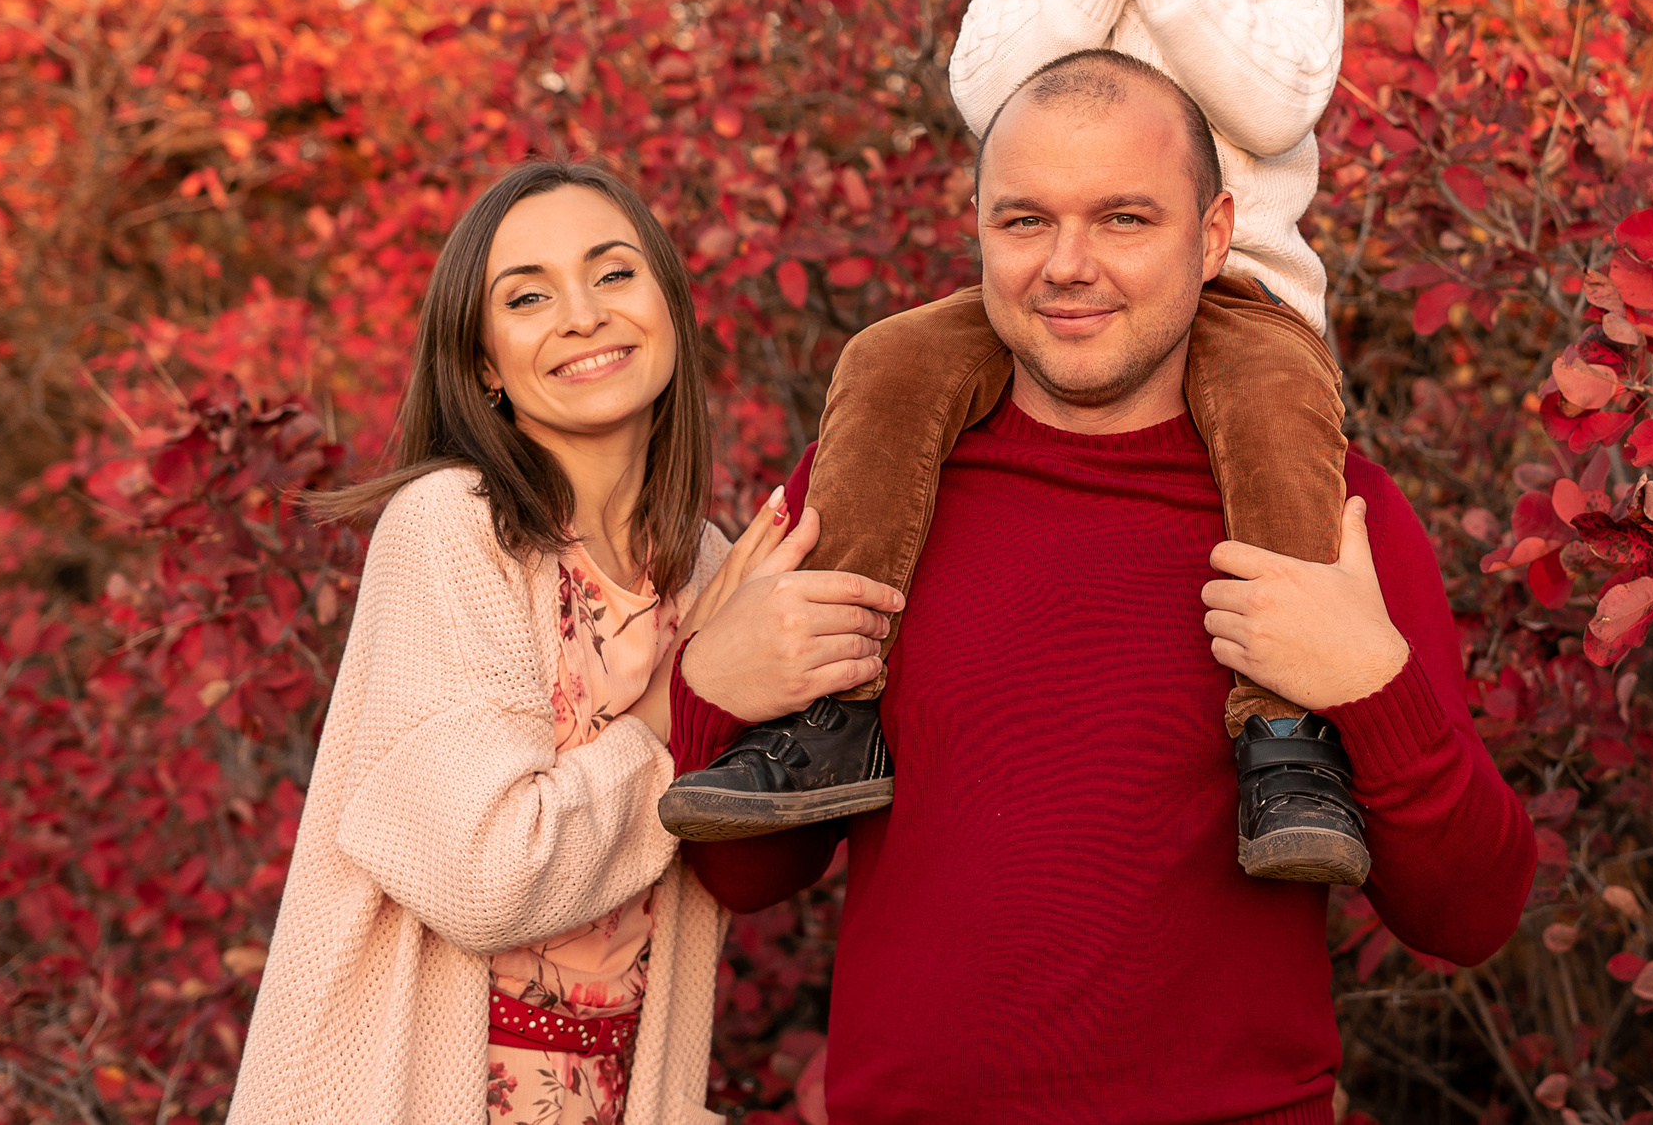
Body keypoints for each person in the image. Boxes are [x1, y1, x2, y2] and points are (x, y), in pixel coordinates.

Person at [658, 55, 1537, 1123]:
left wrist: (1372, 687)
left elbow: (1472, 917)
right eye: (1024, 222)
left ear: (1212, 236)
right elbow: (753, 879)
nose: (1066, 266)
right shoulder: (869, 495)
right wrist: (711, 681)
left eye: (1124, 219)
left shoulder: (1326, 519)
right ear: (976, 226)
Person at [659, 0, 1366, 883]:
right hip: (1045, 293)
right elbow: (991, 98)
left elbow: (1270, 110)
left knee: (1279, 404)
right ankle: (834, 708)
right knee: (889, 363)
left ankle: (1286, 735)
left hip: (1237, 284)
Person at [227, 161, 905, 1125]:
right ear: (485, 366)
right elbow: (486, 876)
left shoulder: (708, 570)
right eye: (529, 296)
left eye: (614, 274)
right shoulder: (451, 530)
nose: (582, 314)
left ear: (670, 307)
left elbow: (748, 864)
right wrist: (697, 684)